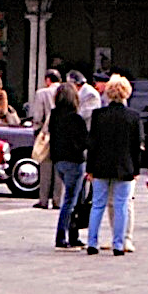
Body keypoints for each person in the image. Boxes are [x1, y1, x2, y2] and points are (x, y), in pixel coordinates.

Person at [85, 75, 141, 256]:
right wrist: (136, 169)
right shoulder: (133, 116)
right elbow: (136, 146)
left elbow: (92, 143)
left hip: (100, 166)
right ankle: (119, 244)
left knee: (98, 205)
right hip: (124, 166)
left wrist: (90, 168)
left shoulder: (98, 115)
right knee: (121, 205)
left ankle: (92, 242)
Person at [49, 82, 87, 249]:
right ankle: (62, 235)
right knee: (71, 200)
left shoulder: (54, 116)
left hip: (59, 161)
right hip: (75, 162)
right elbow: (84, 141)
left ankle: (73, 234)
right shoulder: (76, 118)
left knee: (74, 198)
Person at [29, 68, 64, 209]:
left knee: (45, 168)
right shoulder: (66, 91)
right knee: (59, 170)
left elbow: (38, 115)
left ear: (47, 80)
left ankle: (43, 200)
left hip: (47, 133)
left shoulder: (42, 93)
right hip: (61, 134)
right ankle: (57, 200)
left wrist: (37, 130)